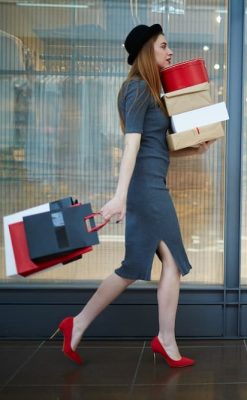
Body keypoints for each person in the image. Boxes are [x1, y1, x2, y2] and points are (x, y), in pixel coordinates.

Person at [50, 24, 213, 367]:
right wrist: (119, 196)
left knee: (137, 267)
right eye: (164, 46)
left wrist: (193, 149)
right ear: (147, 52)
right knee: (168, 263)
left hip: (151, 186)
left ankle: (78, 324)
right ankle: (164, 340)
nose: (170, 53)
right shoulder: (138, 90)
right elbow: (131, 145)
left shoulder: (151, 93)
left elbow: (155, 148)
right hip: (146, 191)